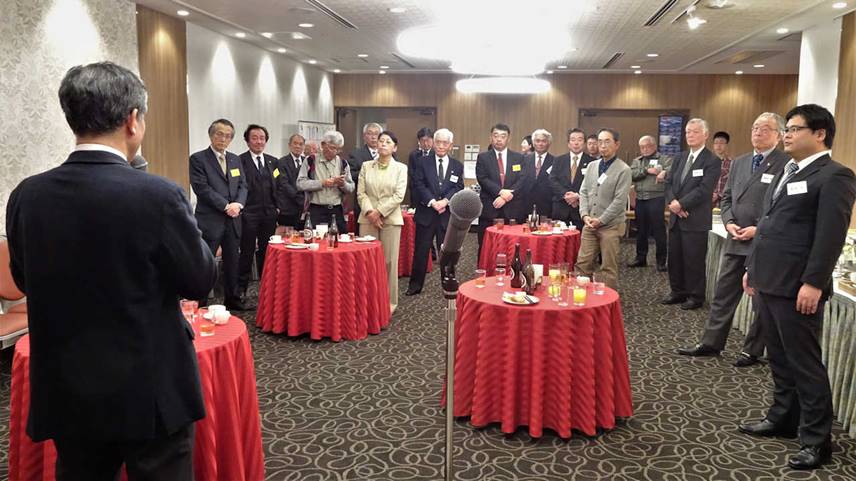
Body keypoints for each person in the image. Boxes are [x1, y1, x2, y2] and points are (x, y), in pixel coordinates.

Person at [5, 61, 215, 481]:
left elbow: (26, 281)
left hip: (68, 384)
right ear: (133, 120)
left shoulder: (27, 195)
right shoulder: (158, 195)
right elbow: (199, 280)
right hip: (150, 387)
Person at [740, 104, 855, 470]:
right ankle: (783, 419)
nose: (786, 134)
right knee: (778, 357)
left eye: (794, 128)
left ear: (819, 134)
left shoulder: (835, 176)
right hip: (769, 280)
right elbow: (769, 224)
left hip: (797, 286)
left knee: (804, 364)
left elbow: (830, 237)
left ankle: (817, 441)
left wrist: (813, 283)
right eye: (786, 128)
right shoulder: (788, 171)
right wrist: (752, 268)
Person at [677, 113, 790, 366]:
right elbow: (726, 197)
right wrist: (728, 222)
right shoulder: (740, 162)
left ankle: (752, 350)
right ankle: (711, 343)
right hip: (735, 238)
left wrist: (757, 229)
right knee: (723, 294)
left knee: (760, 301)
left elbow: (784, 207)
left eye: (765, 128)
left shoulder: (785, 163)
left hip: (764, 242)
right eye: (755, 127)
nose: (757, 132)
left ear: (779, 135)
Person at [189, 118, 249, 311]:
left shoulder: (235, 159)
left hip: (233, 219)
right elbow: (201, 188)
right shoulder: (198, 159)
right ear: (211, 135)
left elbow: (243, 185)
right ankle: (200, 303)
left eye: (228, 136)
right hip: (211, 220)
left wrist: (238, 204)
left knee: (233, 262)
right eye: (219, 134)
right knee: (205, 263)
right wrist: (225, 206)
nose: (223, 139)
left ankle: (232, 299)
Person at [661, 118, 721, 310]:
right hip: (676, 217)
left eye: (695, 132)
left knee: (693, 260)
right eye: (688, 132)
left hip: (695, 218)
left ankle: (695, 296)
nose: (690, 135)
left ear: (705, 135)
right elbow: (669, 183)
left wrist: (681, 204)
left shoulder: (712, 160)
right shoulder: (680, 157)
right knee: (675, 258)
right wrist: (673, 203)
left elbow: (704, 189)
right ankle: (677, 291)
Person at [405, 128, 464, 296]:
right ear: (433, 143)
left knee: (448, 252)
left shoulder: (457, 165)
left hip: (446, 215)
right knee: (421, 251)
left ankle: (448, 284)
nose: (441, 146)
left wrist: (445, 201)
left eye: (445, 143)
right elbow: (418, 184)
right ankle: (415, 285)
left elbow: (458, 186)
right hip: (426, 213)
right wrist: (432, 202)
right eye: (438, 142)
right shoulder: (422, 162)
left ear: (451, 145)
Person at [574, 128, 632, 290]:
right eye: (600, 142)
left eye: (607, 141)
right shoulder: (592, 166)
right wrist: (584, 215)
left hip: (611, 225)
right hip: (590, 223)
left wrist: (601, 220)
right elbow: (583, 191)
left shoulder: (624, 169)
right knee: (582, 264)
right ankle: (581, 297)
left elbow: (619, 201)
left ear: (617, 144)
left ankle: (607, 301)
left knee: (608, 267)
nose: (603, 146)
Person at [357, 131, 408, 312]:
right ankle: (366, 303)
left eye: (388, 142)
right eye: (381, 141)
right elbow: (361, 193)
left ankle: (388, 304)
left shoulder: (401, 168)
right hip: (367, 218)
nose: (383, 144)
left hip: (391, 219)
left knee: (389, 262)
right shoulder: (366, 166)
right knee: (366, 262)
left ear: (395, 148)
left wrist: (379, 212)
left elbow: (399, 195)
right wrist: (371, 213)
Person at [475, 123, 532, 255]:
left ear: (508, 138)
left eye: (503, 136)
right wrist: (501, 192)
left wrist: (507, 197)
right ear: (491, 138)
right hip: (490, 210)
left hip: (513, 211)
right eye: (496, 136)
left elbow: (522, 179)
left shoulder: (519, 158)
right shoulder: (483, 157)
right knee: (486, 247)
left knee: (512, 248)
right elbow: (482, 178)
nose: (499, 139)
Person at [237, 124, 278, 299]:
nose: (259, 141)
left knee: (266, 252)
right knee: (246, 252)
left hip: (269, 214)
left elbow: (279, 185)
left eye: (262, 138)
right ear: (247, 141)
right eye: (254, 138)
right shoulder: (239, 161)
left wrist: (278, 207)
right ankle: (241, 291)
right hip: (248, 214)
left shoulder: (273, 161)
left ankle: (266, 290)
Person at [628, 135, 671, 271]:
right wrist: (646, 171)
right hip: (640, 199)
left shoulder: (664, 159)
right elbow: (631, 174)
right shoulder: (637, 161)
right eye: (642, 147)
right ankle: (640, 258)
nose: (645, 149)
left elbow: (672, 171)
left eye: (647, 146)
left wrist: (664, 172)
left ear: (654, 146)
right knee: (641, 230)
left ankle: (661, 261)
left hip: (656, 198)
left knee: (659, 231)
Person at [297, 130, 353, 233]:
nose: (335, 152)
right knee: (315, 239)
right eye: (332, 148)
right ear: (323, 145)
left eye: (338, 149)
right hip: (315, 210)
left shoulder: (343, 163)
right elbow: (300, 184)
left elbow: (351, 187)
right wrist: (322, 183)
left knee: (339, 240)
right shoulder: (310, 160)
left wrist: (343, 184)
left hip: (336, 210)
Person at [551, 128, 595, 230]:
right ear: (568, 143)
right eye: (573, 140)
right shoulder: (559, 160)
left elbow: (593, 184)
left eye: (580, 140)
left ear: (584, 143)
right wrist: (566, 195)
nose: (576, 143)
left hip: (580, 210)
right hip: (560, 208)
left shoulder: (592, 162)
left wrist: (577, 196)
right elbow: (552, 180)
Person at [348, 122, 382, 230]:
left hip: (383, 205)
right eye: (370, 133)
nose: (373, 137)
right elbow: (351, 175)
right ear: (364, 136)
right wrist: (369, 171)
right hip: (364, 204)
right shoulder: (356, 154)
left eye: (376, 134)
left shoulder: (389, 154)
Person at [275, 134, 307, 231]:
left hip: (304, 208)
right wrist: (299, 198)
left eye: (301, 144)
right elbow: (283, 183)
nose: (298, 146)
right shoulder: (281, 162)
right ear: (289, 145)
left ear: (304, 147)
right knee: (288, 235)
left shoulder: (307, 161)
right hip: (288, 207)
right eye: (295, 143)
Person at [525, 129, 555, 217]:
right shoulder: (524, 159)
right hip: (525, 204)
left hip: (547, 206)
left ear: (549, 143)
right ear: (533, 143)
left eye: (544, 141)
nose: (540, 144)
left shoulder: (555, 161)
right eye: (537, 141)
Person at [712, 131, 732, 208]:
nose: (718, 145)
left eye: (722, 143)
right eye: (716, 143)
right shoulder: (707, 162)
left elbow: (732, 184)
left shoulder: (732, 164)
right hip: (707, 202)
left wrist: (718, 194)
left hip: (724, 203)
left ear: (727, 145)